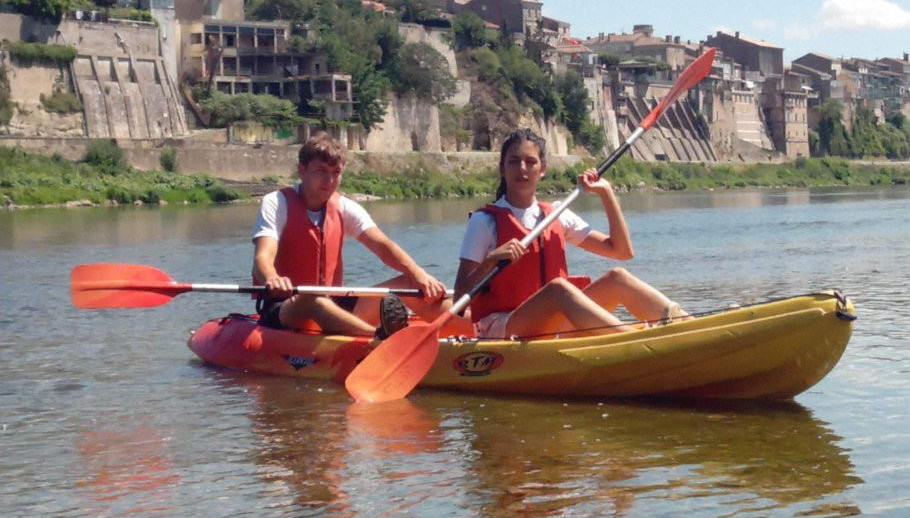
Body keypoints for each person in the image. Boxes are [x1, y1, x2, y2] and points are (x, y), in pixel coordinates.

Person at [454, 129, 685, 339]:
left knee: (618, 278)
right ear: (502, 168)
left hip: (551, 325)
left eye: (530, 162)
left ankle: (688, 327)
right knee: (559, 290)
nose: (522, 169)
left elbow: (622, 251)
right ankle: (635, 342)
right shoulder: (484, 222)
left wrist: (606, 194)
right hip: (503, 327)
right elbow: (458, 302)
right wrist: (491, 259)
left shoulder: (557, 214)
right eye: (514, 162)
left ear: (542, 169)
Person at [252, 132, 447, 337]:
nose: (329, 180)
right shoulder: (276, 203)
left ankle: (474, 329)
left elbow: (382, 245)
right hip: (286, 307)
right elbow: (262, 258)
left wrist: (419, 274)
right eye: (321, 171)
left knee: (409, 282)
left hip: (333, 303)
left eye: (336, 172)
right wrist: (272, 278)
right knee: (311, 297)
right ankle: (378, 337)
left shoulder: (344, 207)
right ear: (302, 170)